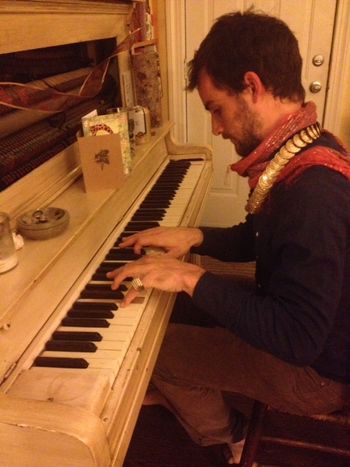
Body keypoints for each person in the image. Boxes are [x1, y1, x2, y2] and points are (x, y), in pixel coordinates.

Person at [107, 10, 350, 464]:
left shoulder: (314, 193)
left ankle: (230, 434)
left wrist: (188, 279)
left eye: (216, 108)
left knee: (153, 352)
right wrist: (194, 237)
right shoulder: (309, 146)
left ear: (252, 86)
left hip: (317, 373)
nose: (216, 128)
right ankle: (205, 384)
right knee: (178, 291)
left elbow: (299, 338)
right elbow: (261, 238)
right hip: (304, 322)